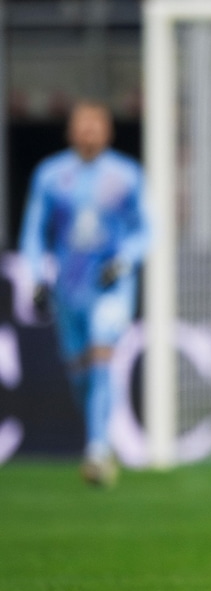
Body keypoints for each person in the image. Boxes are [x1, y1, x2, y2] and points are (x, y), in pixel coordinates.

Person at [19, 101, 151, 487]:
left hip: (110, 286)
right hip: (69, 288)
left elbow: (147, 229)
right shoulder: (51, 175)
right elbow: (33, 232)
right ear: (70, 131)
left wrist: (124, 261)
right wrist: (35, 277)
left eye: (95, 125)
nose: (88, 132)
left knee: (101, 353)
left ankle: (96, 450)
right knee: (79, 375)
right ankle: (100, 439)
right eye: (82, 125)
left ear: (108, 131)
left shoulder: (126, 175)